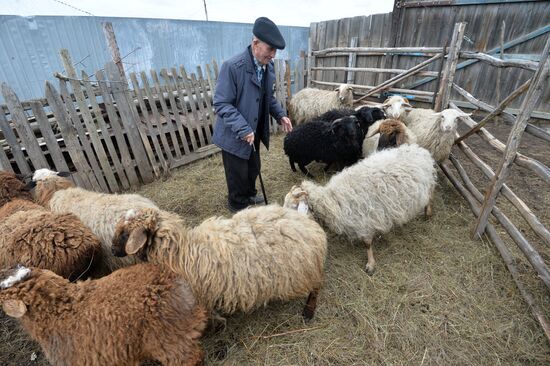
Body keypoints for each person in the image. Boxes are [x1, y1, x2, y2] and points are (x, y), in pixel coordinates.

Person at [213, 16, 293, 213]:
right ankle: (237, 205)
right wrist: (242, 128)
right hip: (235, 133)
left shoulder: (267, 67)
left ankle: (249, 195)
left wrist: (280, 115)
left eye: (275, 50)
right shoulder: (232, 67)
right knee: (237, 173)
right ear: (255, 43)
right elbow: (221, 103)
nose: (273, 55)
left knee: (252, 168)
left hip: (253, 130)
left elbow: (268, 97)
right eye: (270, 49)